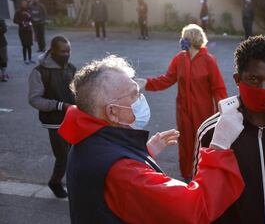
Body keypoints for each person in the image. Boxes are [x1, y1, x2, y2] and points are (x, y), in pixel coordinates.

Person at [57, 55, 245, 223]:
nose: (140, 98)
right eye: (134, 94)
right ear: (112, 112)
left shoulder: (87, 137)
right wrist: (219, 146)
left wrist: (141, 154)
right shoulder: (122, 172)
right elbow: (194, 208)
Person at [194, 35, 265, 224]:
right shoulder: (212, 130)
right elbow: (200, 189)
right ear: (237, 79)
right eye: (254, 79)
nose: (262, 88)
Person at [137, 24, 227, 181]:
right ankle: (187, 176)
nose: (181, 41)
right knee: (185, 145)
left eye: (184, 38)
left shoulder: (208, 61)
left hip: (203, 113)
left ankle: (203, 175)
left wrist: (223, 111)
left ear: (191, 40)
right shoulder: (180, 59)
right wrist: (146, 83)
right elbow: (167, 79)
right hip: (183, 111)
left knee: (202, 144)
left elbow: (218, 88)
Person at [28, 36, 76, 198]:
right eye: (63, 51)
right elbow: (34, 99)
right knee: (63, 156)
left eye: (68, 51)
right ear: (53, 51)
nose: (66, 54)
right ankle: (55, 182)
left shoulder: (71, 68)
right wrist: (60, 105)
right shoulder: (40, 72)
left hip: (73, 118)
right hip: (54, 122)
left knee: (74, 154)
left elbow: (76, 92)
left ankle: (74, 183)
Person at [13, 0, 34, 65]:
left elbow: (32, 19)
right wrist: (21, 22)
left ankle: (30, 59)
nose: (24, 5)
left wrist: (29, 19)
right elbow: (14, 20)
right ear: (21, 5)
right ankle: (25, 59)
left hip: (29, 30)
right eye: (23, 4)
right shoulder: (18, 12)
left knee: (29, 45)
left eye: (25, 4)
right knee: (24, 46)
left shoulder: (28, 11)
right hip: (22, 31)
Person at [0, 18, 8, 82]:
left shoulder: (1, 20)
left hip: (1, 43)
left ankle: (3, 75)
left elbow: (4, 29)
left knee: (3, 59)